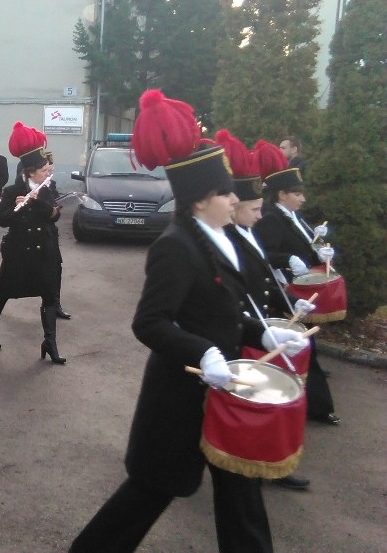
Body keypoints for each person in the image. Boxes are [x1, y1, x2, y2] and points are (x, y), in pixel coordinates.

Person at [70, 90, 309, 553]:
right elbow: (150, 323)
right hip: (180, 399)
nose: (233, 198)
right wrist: (202, 353)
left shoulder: (221, 238)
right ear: (201, 201)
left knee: (242, 501)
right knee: (148, 495)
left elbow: (224, 311)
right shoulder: (176, 246)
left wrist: (263, 332)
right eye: (224, 192)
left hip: (226, 394)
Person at [216, 130, 313, 491]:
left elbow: (264, 279)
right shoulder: (227, 239)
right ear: (235, 206)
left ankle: (263, 462)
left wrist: (290, 303)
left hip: (256, 326)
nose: (261, 215)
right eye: (254, 209)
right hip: (241, 333)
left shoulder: (246, 232)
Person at [253, 145, 339, 426]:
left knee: (305, 347)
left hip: (298, 292)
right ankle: (317, 407)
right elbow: (265, 254)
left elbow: (306, 245)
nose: (303, 199)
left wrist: (320, 247)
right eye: (298, 194)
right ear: (282, 195)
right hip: (282, 292)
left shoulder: (293, 217)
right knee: (304, 347)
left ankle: (310, 402)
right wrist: (288, 260)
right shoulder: (271, 219)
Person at [0, 122, 66, 362]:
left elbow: (55, 215)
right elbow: (2, 220)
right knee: (3, 293)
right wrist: (19, 207)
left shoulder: (46, 189)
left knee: (49, 296)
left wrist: (37, 201)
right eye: (42, 170)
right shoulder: (11, 191)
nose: (46, 173)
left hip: (44, 251)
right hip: (19, 252)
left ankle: (50, 342)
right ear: (29, 172)